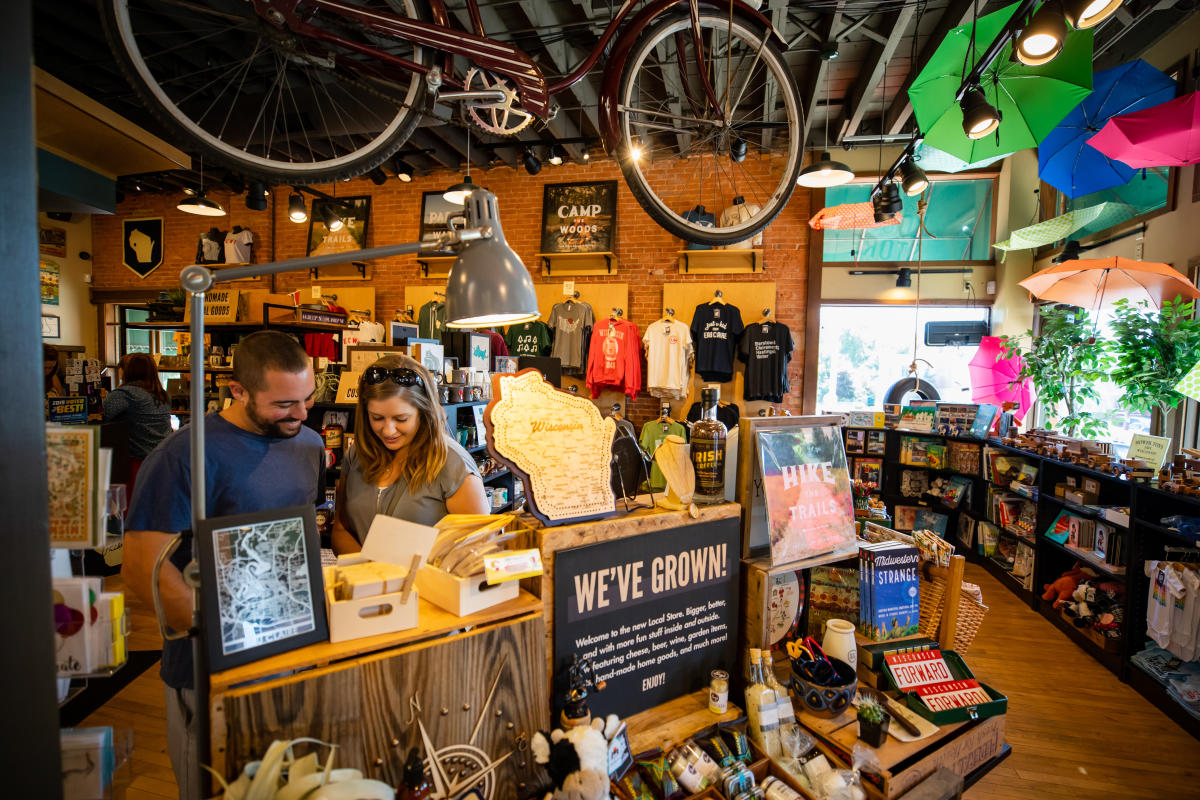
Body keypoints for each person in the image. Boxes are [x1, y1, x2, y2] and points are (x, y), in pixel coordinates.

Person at [121, 330, 324, 800]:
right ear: (237, 391)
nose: (300, 413)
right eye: (283, 404)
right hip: (212, 670)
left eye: (307, 399)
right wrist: (212, 634)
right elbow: (140, 566)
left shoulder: (308, 445)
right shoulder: (183, 454)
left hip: (294, 656)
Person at [332, 354, 488, 553]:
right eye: (377, 418)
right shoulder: (356, 455)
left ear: (425, 412)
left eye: (401, 419)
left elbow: (478, 549)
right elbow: (341, 529)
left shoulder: (452, 464)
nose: (388, 430)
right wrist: (372, 572)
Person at [103, 353, 172, 490]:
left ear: (128, 370)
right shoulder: (162, 394)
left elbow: (105, 414)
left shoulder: (126, 394)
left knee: (133, 505)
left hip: (136, 463)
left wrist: (104, 397)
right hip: (162, 459)